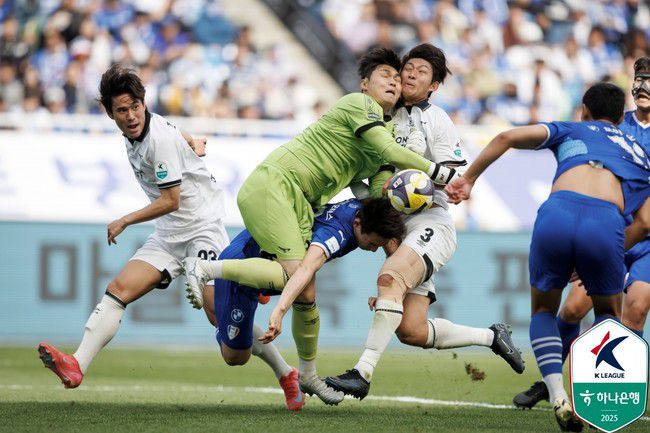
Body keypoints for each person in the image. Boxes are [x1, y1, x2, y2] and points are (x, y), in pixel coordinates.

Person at [183, 47, 460, 397]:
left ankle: (306, 375)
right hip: (277, 184)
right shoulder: (359, 105)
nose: (394, 81)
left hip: (302, 205)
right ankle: (206, 269)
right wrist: (438, 173)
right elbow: (390, 152)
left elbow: (378, 193)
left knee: (291, 301)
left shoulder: (387, 133)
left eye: (396, 76)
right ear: (364, 83)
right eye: (384, 75)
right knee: (294, 276)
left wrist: (405, 181)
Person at [445, 82, 650, 432]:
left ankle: (557, 394)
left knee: (543, 310)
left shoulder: (569, 128)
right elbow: (644, 222)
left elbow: (505, 137)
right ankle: (598, 405)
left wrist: (468, 179)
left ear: (583, 111)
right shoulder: (641, 155)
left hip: (557, 212)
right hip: (606, 223)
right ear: (621, 118)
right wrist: (613, 248)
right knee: (607, 314)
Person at [325, 44, 524, 400]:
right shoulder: (382, 114)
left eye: (422, 72)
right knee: (411, 331)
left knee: (390, 278)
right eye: (409, 67)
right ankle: (492, 336)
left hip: (431, 221)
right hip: (397, 227)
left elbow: (454, 177)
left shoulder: (437, 120)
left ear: (433, 86)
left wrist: (417, 181)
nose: (411, 74)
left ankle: (361, 373)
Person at [37, 64, 229, 390]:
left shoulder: (158, 140)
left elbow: (171, 201)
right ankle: (76, 364)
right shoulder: (138, 134)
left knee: (221, 320)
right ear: (110, 113)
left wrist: (124, 219)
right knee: (119, 289)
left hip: (202, 229)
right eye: (122, 110)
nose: (130, 116)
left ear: (144, 103)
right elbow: (176, 132)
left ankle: (284, 371)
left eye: (135, 107)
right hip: (169, 235)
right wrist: (192, 142)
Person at [513, 56, 650, 410]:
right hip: (605, 229)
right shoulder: (617, 125)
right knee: (573, 308)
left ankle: (611, 392)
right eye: (640, 78)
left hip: (643, 238)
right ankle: (552, 382)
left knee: (635, 309)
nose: (644, 86)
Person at [202, 197, 406, 407]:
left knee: (300, 291)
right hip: (243, 265)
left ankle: (295, 373)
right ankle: (295, 372)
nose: (373, 249)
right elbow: (305, 269)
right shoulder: (335, 233)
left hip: (269, 255)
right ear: (357, 223)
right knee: (235, 357)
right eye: (372, 244)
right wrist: (280, 311)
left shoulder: (366, 210)